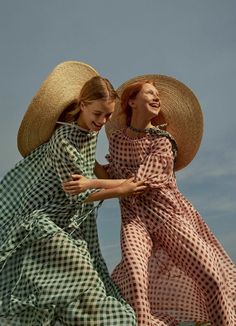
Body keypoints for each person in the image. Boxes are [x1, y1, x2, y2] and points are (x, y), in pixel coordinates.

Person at [66, 75, 236, 325]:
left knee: (211, 276)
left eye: (158, 96)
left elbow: (137, 183)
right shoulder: (118, 141)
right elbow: (111, 175)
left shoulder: (163, 142)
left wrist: (90, 183)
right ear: (132, 101)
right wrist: (82, 153)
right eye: (150, 93)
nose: (157, 98)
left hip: (169, 216)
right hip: (134, 220)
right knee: (136, 278)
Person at [0, 61, 146, 326]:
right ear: (83, 105)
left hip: (69, 224)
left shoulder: (88, 135)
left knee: (72, 291)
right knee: (85, 276)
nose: (102, 122)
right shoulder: (63, 141)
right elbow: (79, 194)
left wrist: (118, 178)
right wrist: (120, 188)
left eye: (108, 116)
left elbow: (96, 176)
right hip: (43, 221)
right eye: (98, 114)